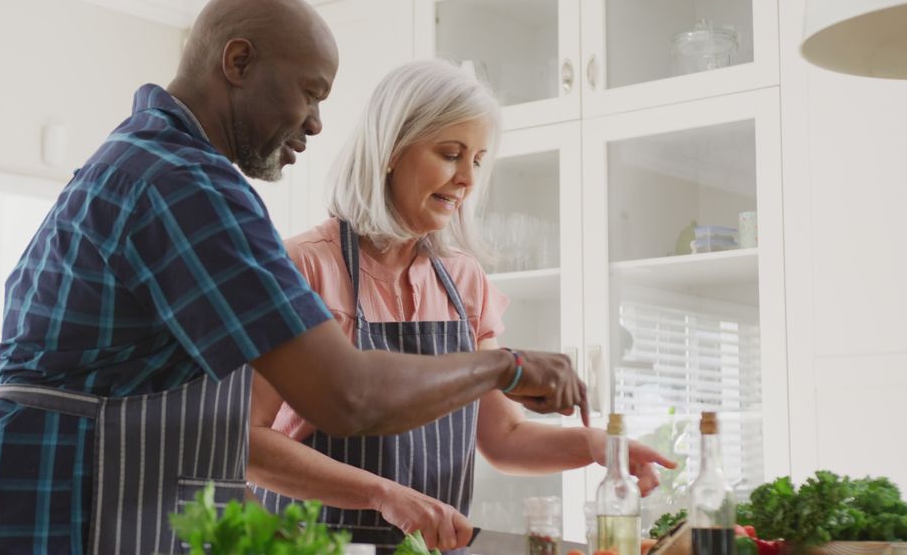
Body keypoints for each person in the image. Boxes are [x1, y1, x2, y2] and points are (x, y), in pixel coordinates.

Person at [0, 0, 587, 554]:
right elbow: (346, 396)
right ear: (237, 61)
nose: (316, 125)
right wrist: (507, 368)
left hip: (46, 498)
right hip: (55, 510)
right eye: (309, 93)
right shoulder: (185, 184)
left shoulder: (144, 159)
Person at [247, 60, 677, 554]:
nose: (467, 179)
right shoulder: (304, 267)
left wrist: (596, 446)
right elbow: (249, 443)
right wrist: (383, 496)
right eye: (450, 154)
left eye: (476, 159)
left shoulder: (461, 278)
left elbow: (504, 437)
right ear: (389, 151)